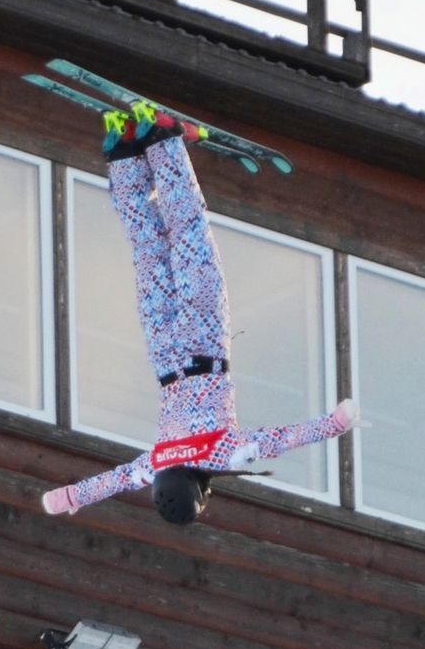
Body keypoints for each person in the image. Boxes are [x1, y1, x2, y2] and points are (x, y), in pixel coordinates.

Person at [39, 105, 353, 526]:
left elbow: (276, 441)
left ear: (199, 489)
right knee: (148, 252)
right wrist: (67, 498)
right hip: (163, 353)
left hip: (202, 342)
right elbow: (108, 483)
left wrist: (334, 425)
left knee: (189, 235)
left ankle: (162, 141)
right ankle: (123, 150)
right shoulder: (151, 464)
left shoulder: (221, 452)